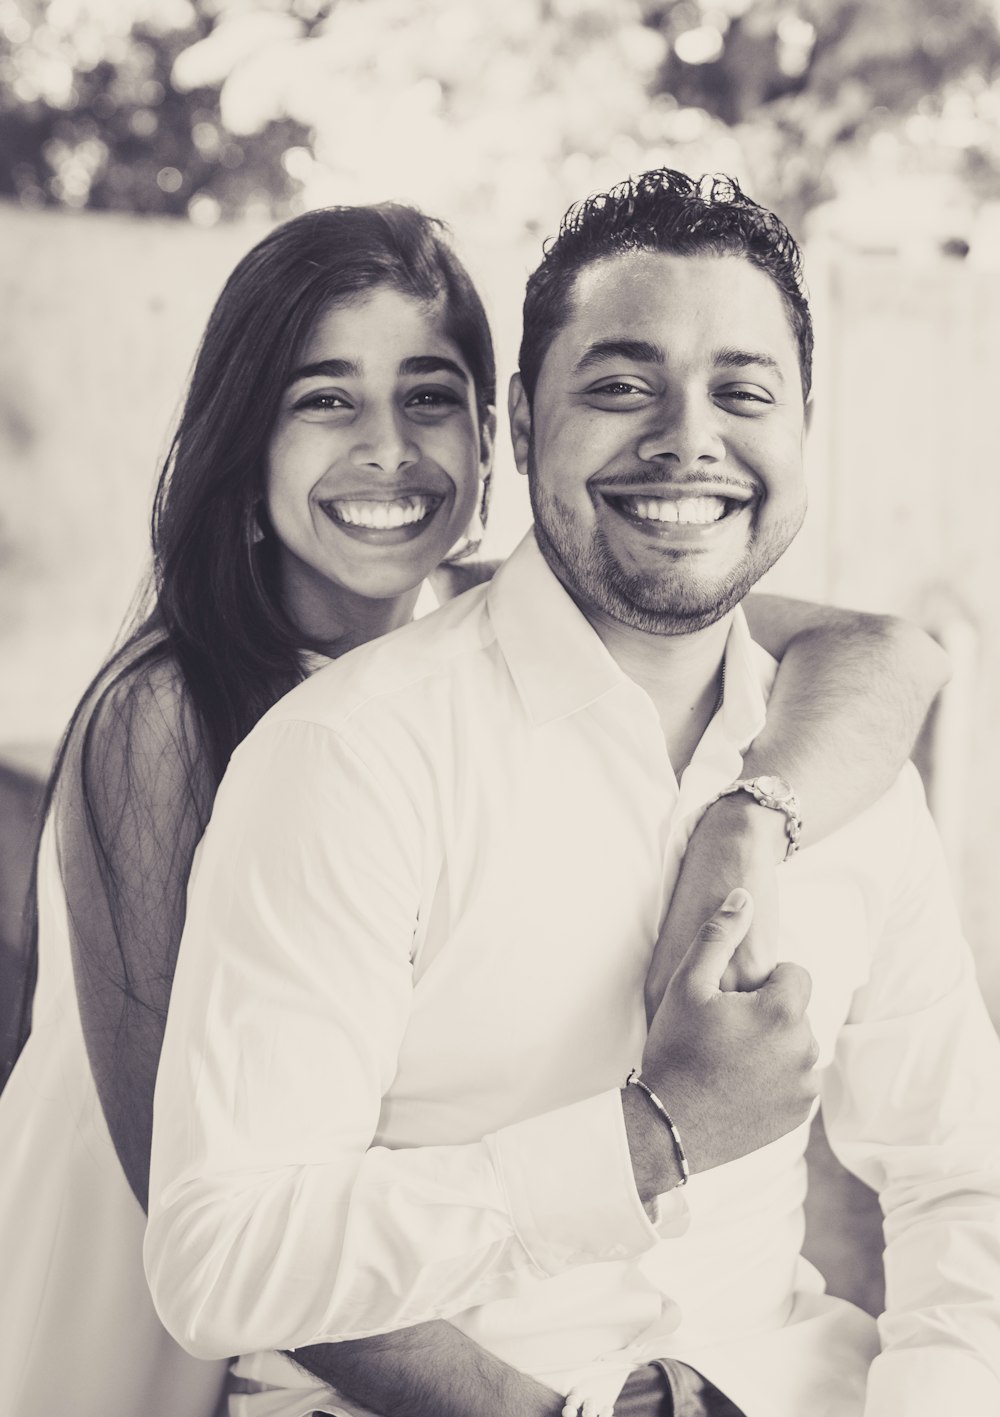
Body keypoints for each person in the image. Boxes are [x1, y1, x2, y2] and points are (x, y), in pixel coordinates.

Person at [0, 200, 945, 1417]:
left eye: (429, 397)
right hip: (144, 1294)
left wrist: (748, 819)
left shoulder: (511, 610)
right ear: (247, 439)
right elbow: (190, 1190)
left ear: (491, 435)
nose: (390, 450)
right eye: (326, 398)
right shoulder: (168, 714)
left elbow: (883, 651)